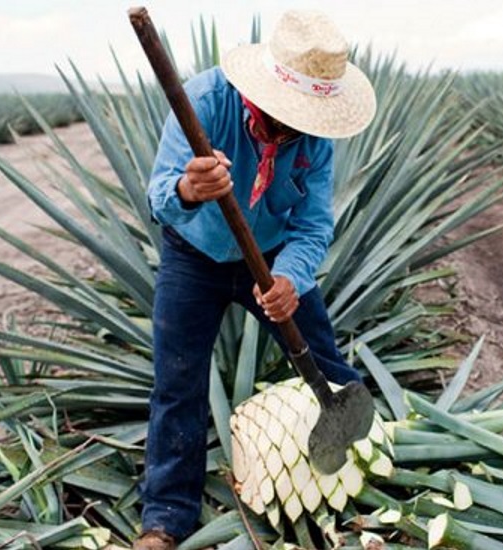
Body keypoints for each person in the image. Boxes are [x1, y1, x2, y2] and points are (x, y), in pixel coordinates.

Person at [133, 10, 377, 550]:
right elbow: (158, 197)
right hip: (192, 255)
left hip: (268, 258)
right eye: (286, 114)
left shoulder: (314, 137)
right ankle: (166, 519)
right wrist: (190, 190)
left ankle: (364, 464)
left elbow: (313, 224)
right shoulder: (204, 101)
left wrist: (289, 277)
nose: (292, 129)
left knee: (326, 365)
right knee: (178, 384)